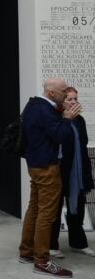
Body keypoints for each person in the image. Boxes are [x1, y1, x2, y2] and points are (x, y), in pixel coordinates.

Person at [18, 77, 80, 278]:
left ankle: (26, 252)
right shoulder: (46, 111)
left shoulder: (33, 105)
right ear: (52, 93)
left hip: (34, 164)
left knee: (34, 208)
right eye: (63, 91)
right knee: (47, 213)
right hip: (47, 167)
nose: (65, 93)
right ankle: (42, 261)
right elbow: (60, 136)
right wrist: (68, 119)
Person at [49, 86, 95, 259]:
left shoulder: (80, 120)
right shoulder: (55, 119)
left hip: (78, 170)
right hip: (60, 170)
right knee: (54, 207)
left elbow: (82, 145)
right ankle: (51, 245)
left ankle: (78, 243)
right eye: (70, 99)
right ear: (61, 102)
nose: (74, 102)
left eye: (76, 98)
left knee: (78, 206)